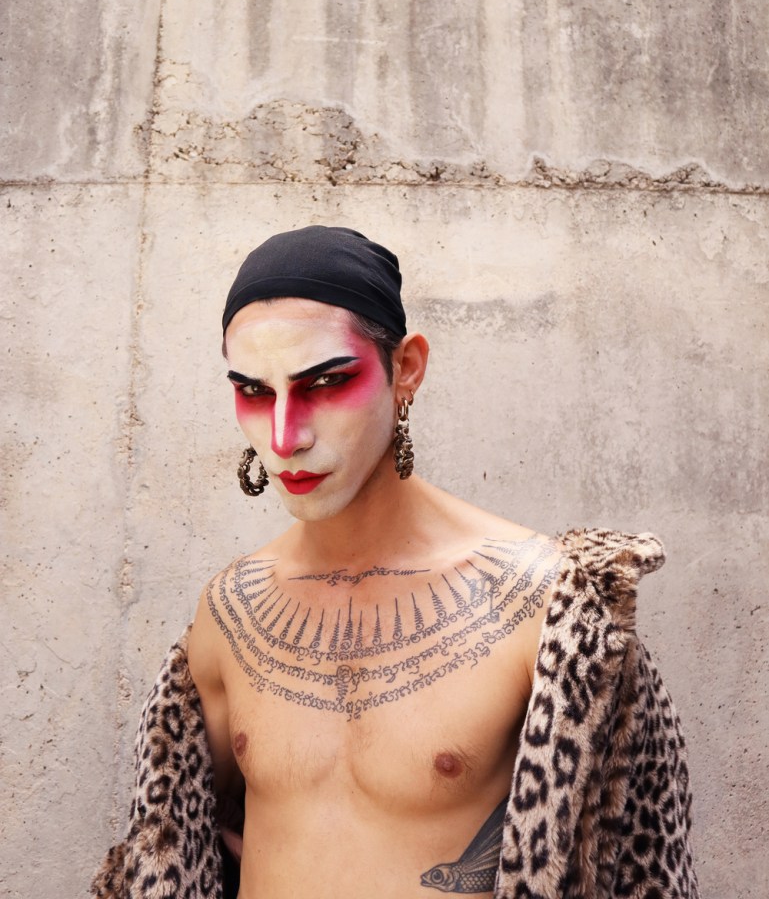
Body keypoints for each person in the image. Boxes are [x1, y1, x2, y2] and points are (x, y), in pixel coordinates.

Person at [91, 226, 698, 899]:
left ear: (405, 368)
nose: (285, 437)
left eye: (326, 381)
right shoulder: (229, 614)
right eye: (254, 392)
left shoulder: (552, 608)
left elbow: (638, 868)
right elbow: (180, 841)